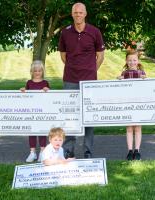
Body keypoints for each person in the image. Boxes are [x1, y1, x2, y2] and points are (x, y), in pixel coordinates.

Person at [58, 2, 105, 159]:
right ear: (72, 14)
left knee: (89, 116)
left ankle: (87, 151)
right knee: (70, 115)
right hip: (70, 79)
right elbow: (63, 56)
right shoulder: (65, 32)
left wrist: (90, 70)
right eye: (75, 12)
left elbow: (100, 56)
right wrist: (75, 68)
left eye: (80, 12)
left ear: (85, 14)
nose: (78, 15)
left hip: (89, 81)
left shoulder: (95, 32)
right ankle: (68, 150)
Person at [118, 50, 146, 161]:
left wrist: (145, 80)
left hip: (139, 104)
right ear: (126, 61)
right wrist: (119, 80)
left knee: (138, 128)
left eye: (134, 60)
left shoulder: (142, 73)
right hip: (128, 105)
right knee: (129, 128)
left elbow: (148, 88)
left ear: (138, 61)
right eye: (129, 60)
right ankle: (130, 151)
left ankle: (137, 150)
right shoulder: (124, 74)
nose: (132, 62)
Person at [20, 60, 50, 162]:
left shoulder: (45, 83)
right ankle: (32, 153)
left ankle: (42, 152)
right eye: (35, 71)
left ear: (42, 71)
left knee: (42, 131)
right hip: (31, 111)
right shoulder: (29, 82)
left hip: (42, 111)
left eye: (39, 71)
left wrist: (47, 90)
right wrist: (23, 91)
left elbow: (51, 98)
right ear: (32, 71)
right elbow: (26, 97)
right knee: (32, 131)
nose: (37, 73)